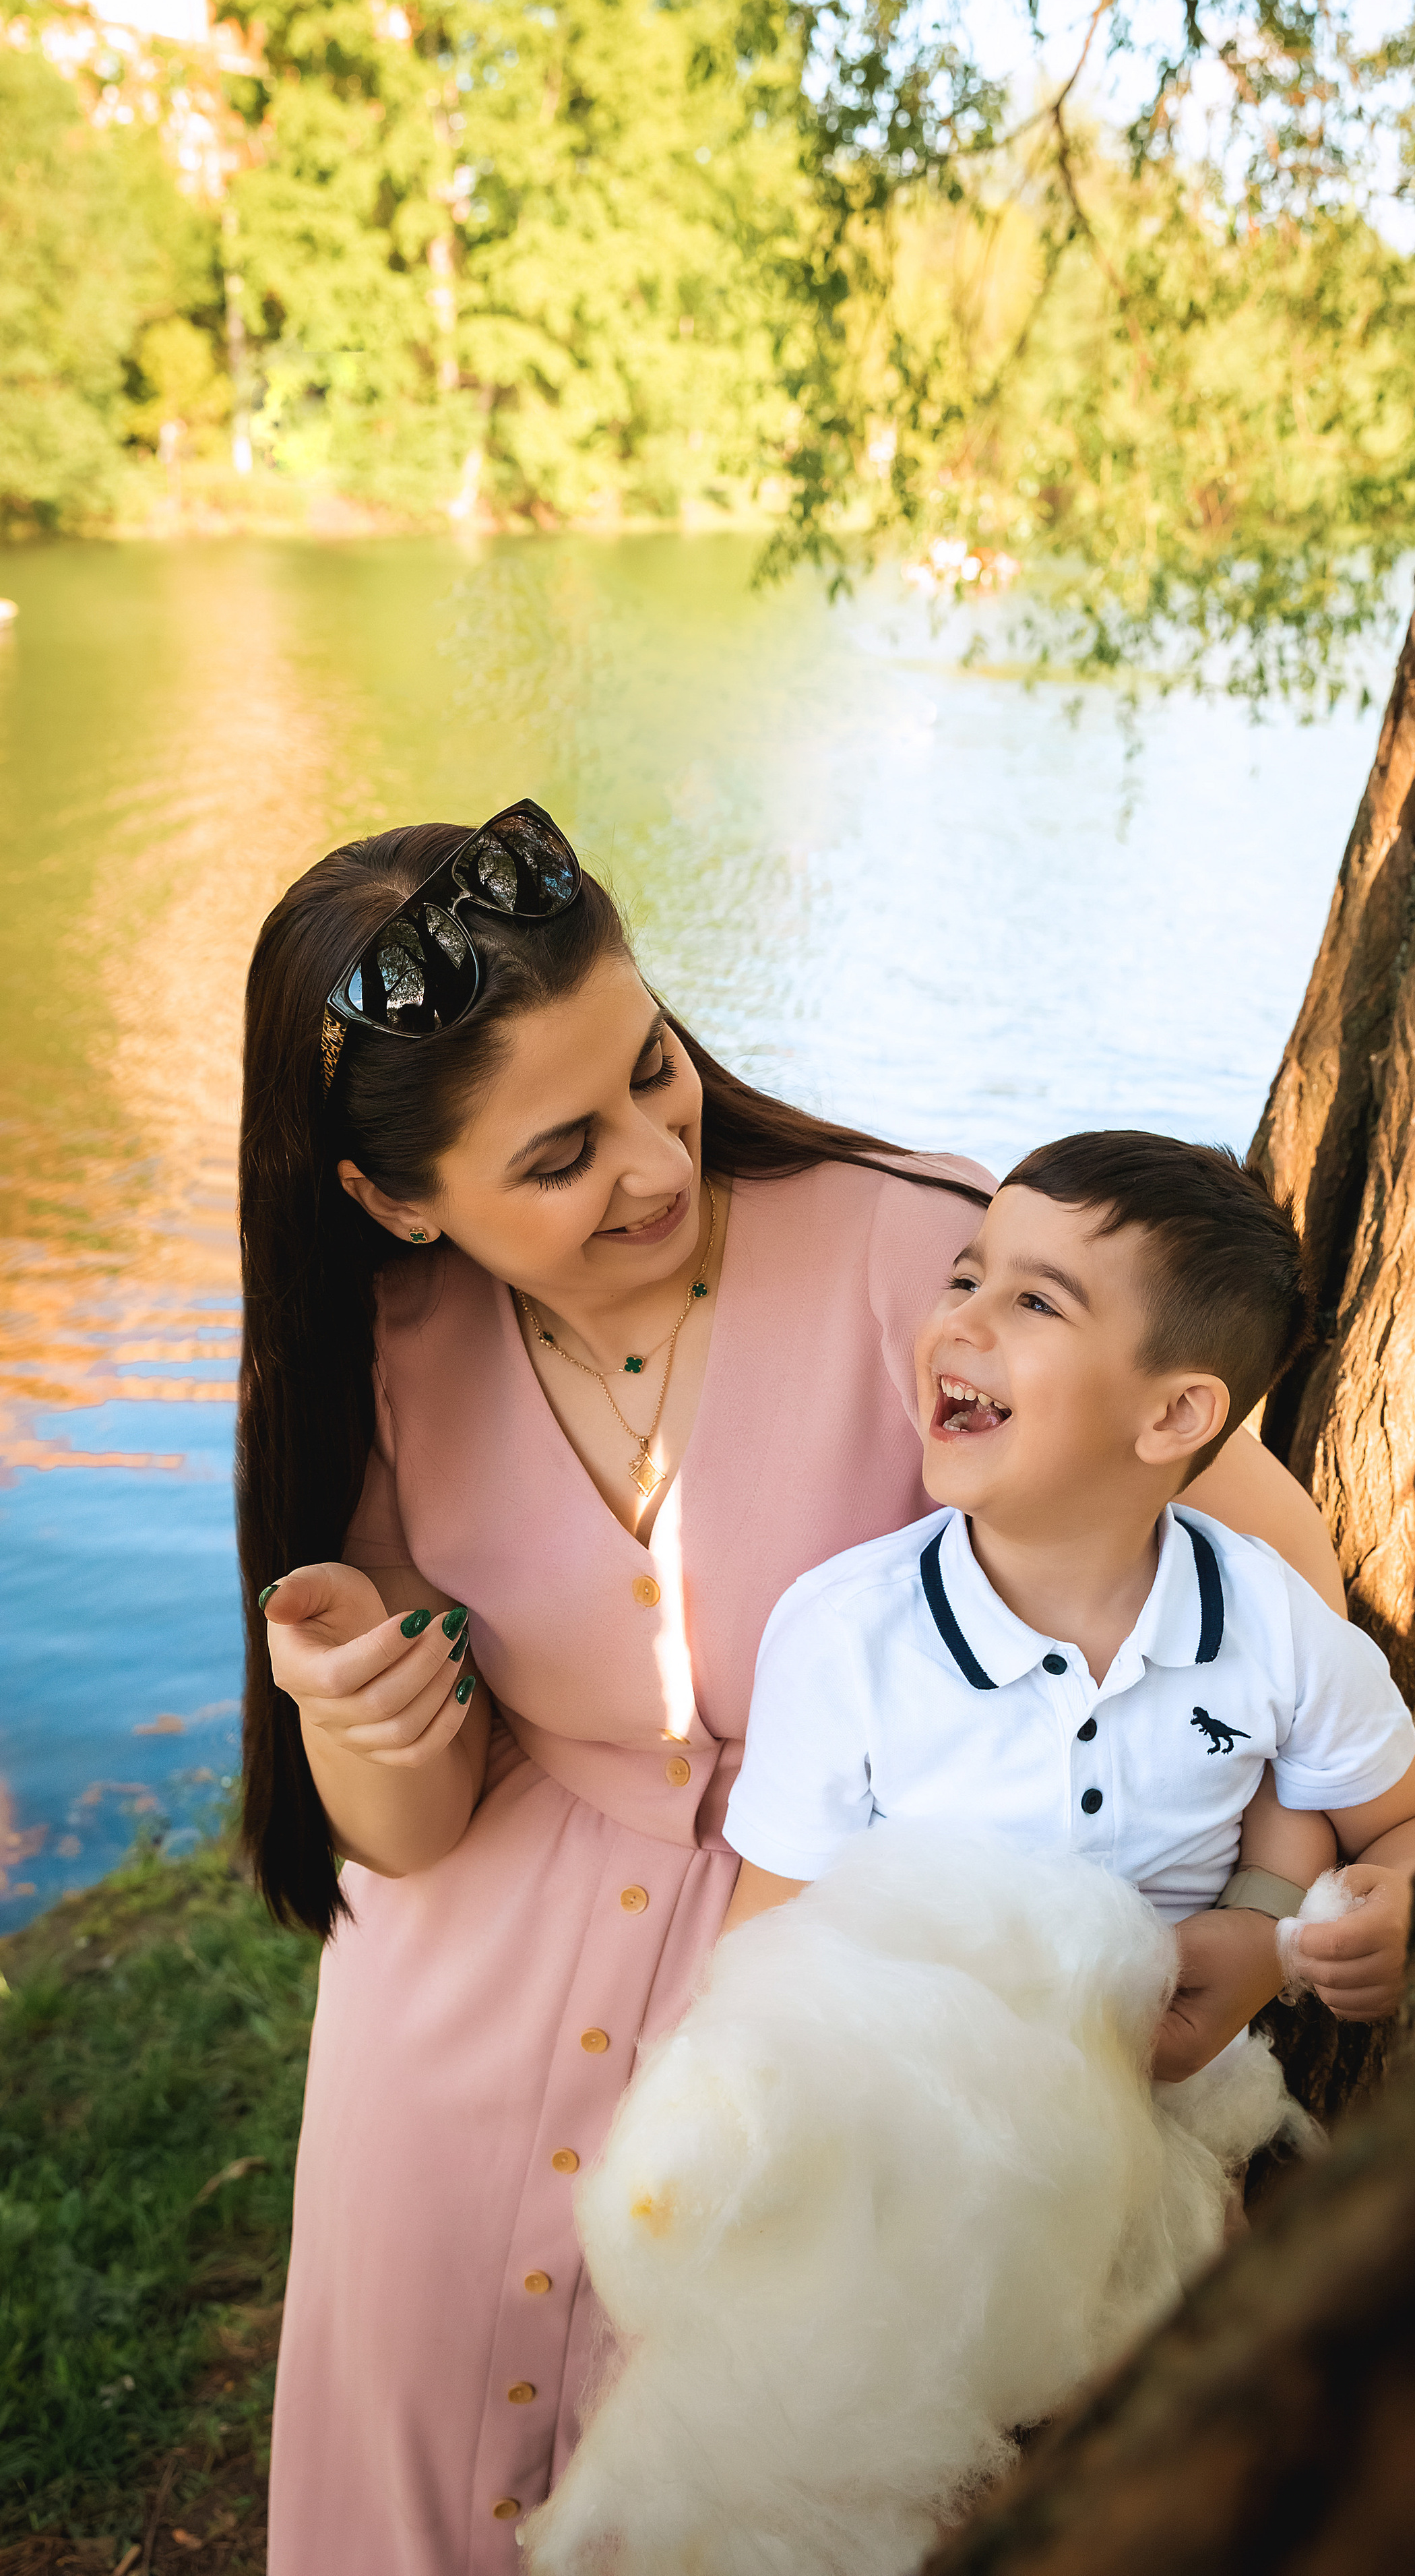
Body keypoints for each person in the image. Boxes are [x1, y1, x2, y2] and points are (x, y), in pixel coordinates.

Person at [238, 801, 1348, 2574]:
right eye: (558, 1156)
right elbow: (410, 1835)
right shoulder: (391, 1352)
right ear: (396, 1201)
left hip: (845, 2003)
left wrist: (1270, 1896)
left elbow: (1276, 1580)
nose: (656, 1161)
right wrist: (355, 1723)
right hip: (444, 2045)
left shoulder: (927, 1254)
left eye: (654, 1070)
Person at [724, 1131, 1415, 2068]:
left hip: (1166, 2137)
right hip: (903, 2125)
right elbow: (760, 1962)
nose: (960, 1323)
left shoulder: (1275, 1627)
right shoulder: (843, 1636)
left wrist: (1401, 1910)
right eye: (965, 1279)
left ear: (1175, 1415)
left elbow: (1406, 1820)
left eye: (1033, 1302)